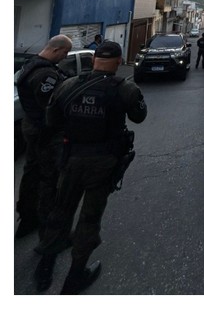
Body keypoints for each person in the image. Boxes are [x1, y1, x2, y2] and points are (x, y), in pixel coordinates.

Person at [34, 41, 147, 294]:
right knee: (89, 218)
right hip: (103, 164)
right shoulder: (125, 89)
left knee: (60, 212)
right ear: (119, 62)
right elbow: (140, 116)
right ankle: (74, 278)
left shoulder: (68, 85)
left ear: (94, 59)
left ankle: (44, 271)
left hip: (70, 159)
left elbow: (51, 120)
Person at [15, 35, 73, 240]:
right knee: (50, 177)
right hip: (45, 132)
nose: (65, 57)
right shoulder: (45, 74)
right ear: (56, 50)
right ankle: (48, 228)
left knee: (32, 171)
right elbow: (51, 106)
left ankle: (28, 217)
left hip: (33, 128)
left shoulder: (30, 65)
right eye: (65, 53)